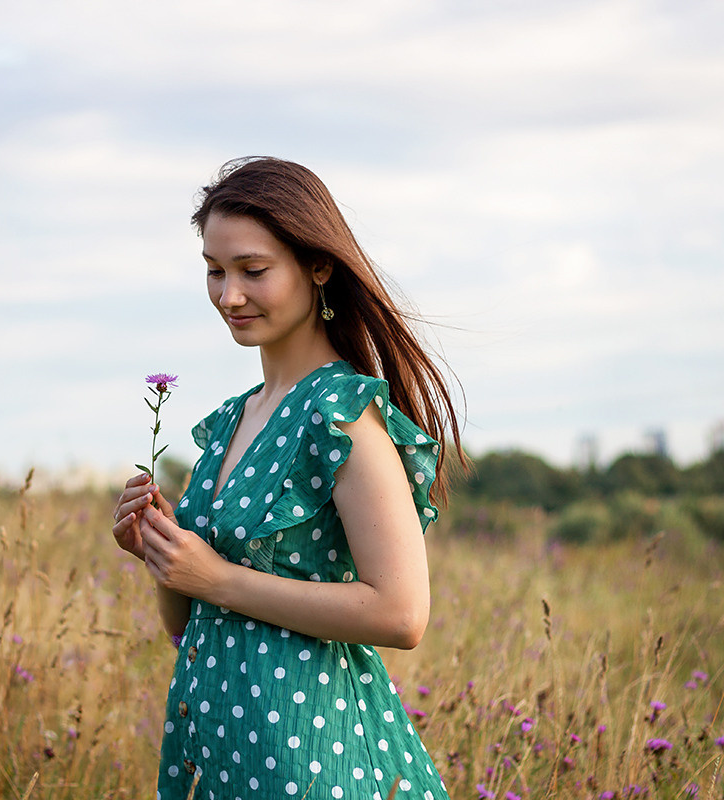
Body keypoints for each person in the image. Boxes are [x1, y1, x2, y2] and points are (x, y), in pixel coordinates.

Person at [112, 157, 467, 800]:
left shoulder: (341, 416)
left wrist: (218, 577)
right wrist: (161, 551)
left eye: (253, 270)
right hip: (222, 748)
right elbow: (185, 627)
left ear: (318, 267)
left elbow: (402, 613)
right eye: (214, 271)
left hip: (315, 755)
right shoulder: (228, 423)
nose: (229, 295)